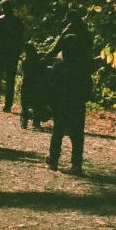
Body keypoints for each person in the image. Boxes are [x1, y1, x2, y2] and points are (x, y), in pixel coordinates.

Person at [47, 33, 92, 175]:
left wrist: (50, 102)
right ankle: (76, 163)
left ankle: (54, 160)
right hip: (77, 103)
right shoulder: (83, 67)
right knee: (77, 134)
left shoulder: (59, 66)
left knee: (58, 131)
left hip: (61, 103)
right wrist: (84, 98)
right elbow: (88, 86)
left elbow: (51, 87)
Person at [0, 0, 26, 112]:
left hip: (1, 52)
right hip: (12, 53)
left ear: (3, 8)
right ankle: (7, 105)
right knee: (10, 79)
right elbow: (22, 38)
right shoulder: (18, 22)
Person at [19, 41, 49, 130]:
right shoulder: (39, 61)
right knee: (37, 104)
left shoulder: (25, 62)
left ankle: (25, 120)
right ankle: (36, 122)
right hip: (36, 85)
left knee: (25, 105)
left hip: (27, 85)